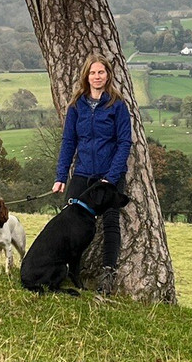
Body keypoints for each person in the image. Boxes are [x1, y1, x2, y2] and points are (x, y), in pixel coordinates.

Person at [53, 53, 132, 294]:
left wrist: (111, 177)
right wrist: (61, 176)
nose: (97, 76)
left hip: (110, 174)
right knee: (69, 222)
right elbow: (69, 142)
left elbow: (124, 143)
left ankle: (108, 274)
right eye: (92, 72)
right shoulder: (77, 106)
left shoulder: (117, 105)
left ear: (108, 75)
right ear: (86, 76)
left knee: (110, 222)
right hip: (83, 173)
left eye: (101, 72)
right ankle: (67, 270)